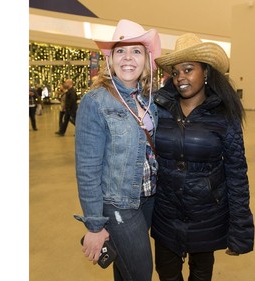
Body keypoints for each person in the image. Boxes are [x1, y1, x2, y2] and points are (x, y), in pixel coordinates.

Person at [151, 33, 255, 281]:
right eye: (175, 73)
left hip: (206, 217)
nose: (180, 78)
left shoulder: (224, 116)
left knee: (201, 274)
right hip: (165, 214)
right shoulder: (159, 109)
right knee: (166, 274)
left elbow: (237, 174)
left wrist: (240, 229)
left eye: (188, 69)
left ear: (206, 72)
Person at [73, 19, 161, 281]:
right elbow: (87, 168)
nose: (128, 58)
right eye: (120, 51)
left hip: (149, 199)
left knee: (124, 270)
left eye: (136, 51)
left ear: (146, 59)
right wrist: (95, 224)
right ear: (110, 60)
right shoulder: (95, 101)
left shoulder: (149, 98)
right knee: (141, 273)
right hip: (118, 204)